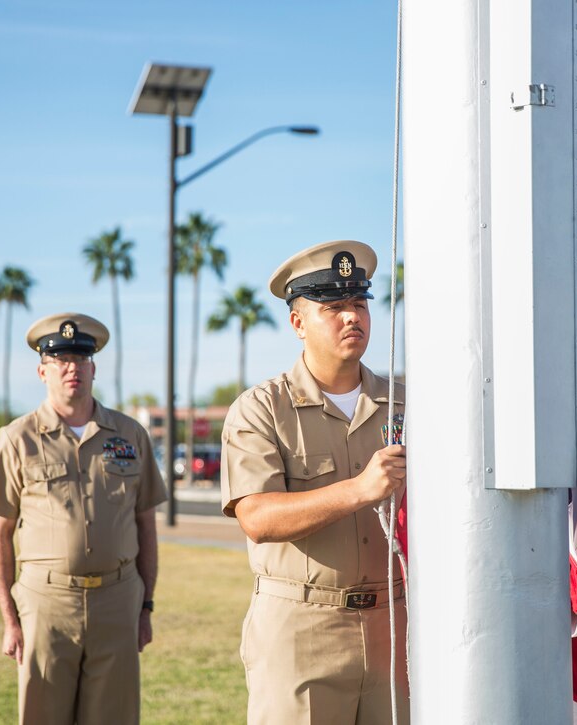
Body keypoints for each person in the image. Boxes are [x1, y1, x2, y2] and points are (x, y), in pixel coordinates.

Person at [220, 239, 409, 725]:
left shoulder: (407, 406)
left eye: (360, 303)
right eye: (334, 307)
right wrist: (359, 489)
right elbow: (256, 518)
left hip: (397, 626)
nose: (353, 317)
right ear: (298, 323)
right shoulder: (262, 408)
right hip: (303, 631)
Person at [0, 312, 166, 725]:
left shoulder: (130, 435)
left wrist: (145, 608)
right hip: (46, 605)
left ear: (93, 368)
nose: (71, 368)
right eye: (60, 359)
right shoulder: (17, 438)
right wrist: (11, 619)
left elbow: (146, 525)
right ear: (42, 370)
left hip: (118, 601)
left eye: (80, 359)